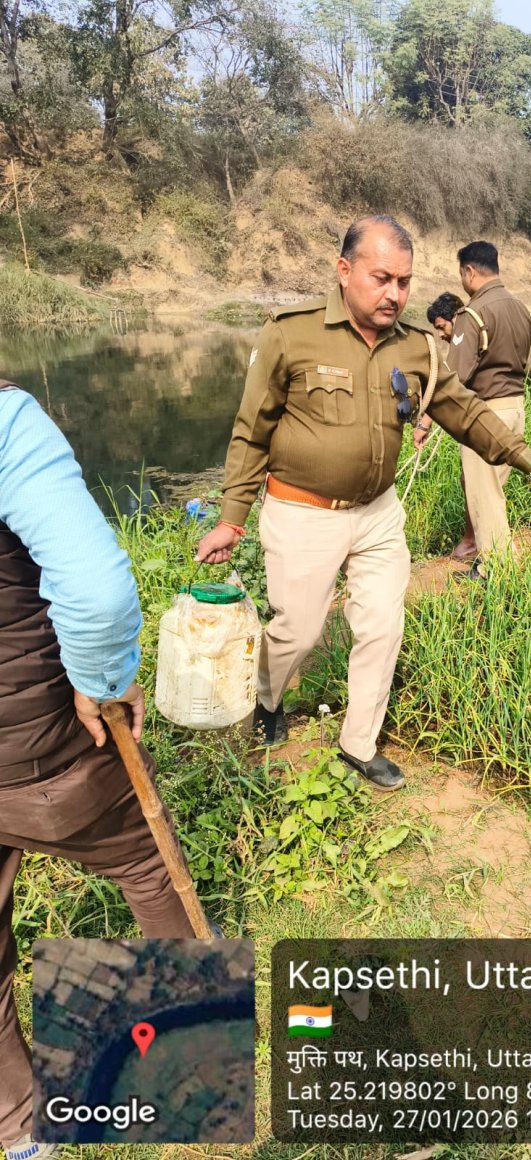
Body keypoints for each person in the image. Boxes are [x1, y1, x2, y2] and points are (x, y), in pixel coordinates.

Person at [195, 215, 531, 791]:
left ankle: (358, 743)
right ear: (344, 271)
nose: (395, 293)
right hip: (302, 511)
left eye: (404, 281)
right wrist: (230, 518)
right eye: (382, 278)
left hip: (378, 514)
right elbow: (252, 430)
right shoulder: (290, 335)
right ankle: (268, 697)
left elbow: (465, 411)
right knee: (298, 629)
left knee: (381, 627)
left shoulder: (418, 346)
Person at [0, 383, 197, 1160]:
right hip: (43, 748)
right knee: (148, 865)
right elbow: (96, 591)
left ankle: (18, 1131)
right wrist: (104, 677)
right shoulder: (5, 420)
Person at [416, 241, 531, 581]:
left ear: (469, 271)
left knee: (484, 496)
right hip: (515, 409)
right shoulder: (520, 308)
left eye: (461, 273)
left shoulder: (474, 313)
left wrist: (424, 421)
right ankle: (491, 559)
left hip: (485, 414)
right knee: (493, 492)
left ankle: (496, 568)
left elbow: (454, 377)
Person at [425, 292, 477, 560]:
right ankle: (474, 539)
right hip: (481, 416)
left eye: (442, 327)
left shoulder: (464, 335)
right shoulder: (468, 333)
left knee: (474, 481)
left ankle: (474, 543)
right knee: (470, 479)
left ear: (454, 317)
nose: (441, 335)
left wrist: (424, 424)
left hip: (481, 419)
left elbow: (451, 385)